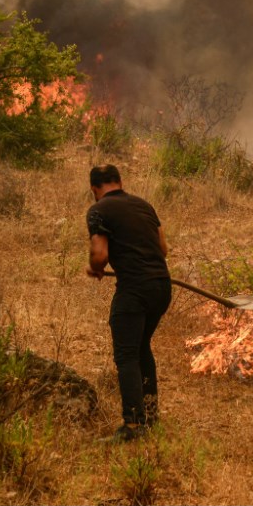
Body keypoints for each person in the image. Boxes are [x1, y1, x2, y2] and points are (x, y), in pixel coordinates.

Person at [85, 164, 171, 442]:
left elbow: (100, 255)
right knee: (141, 347)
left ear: (94, 189)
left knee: (126, 355)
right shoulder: (144, 205)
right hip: (161, 286)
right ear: (121, 182)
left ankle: (133, 426)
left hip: (134, 290)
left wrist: (95, 267)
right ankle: (151, 415)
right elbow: (163, 249)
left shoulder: (99, 210)